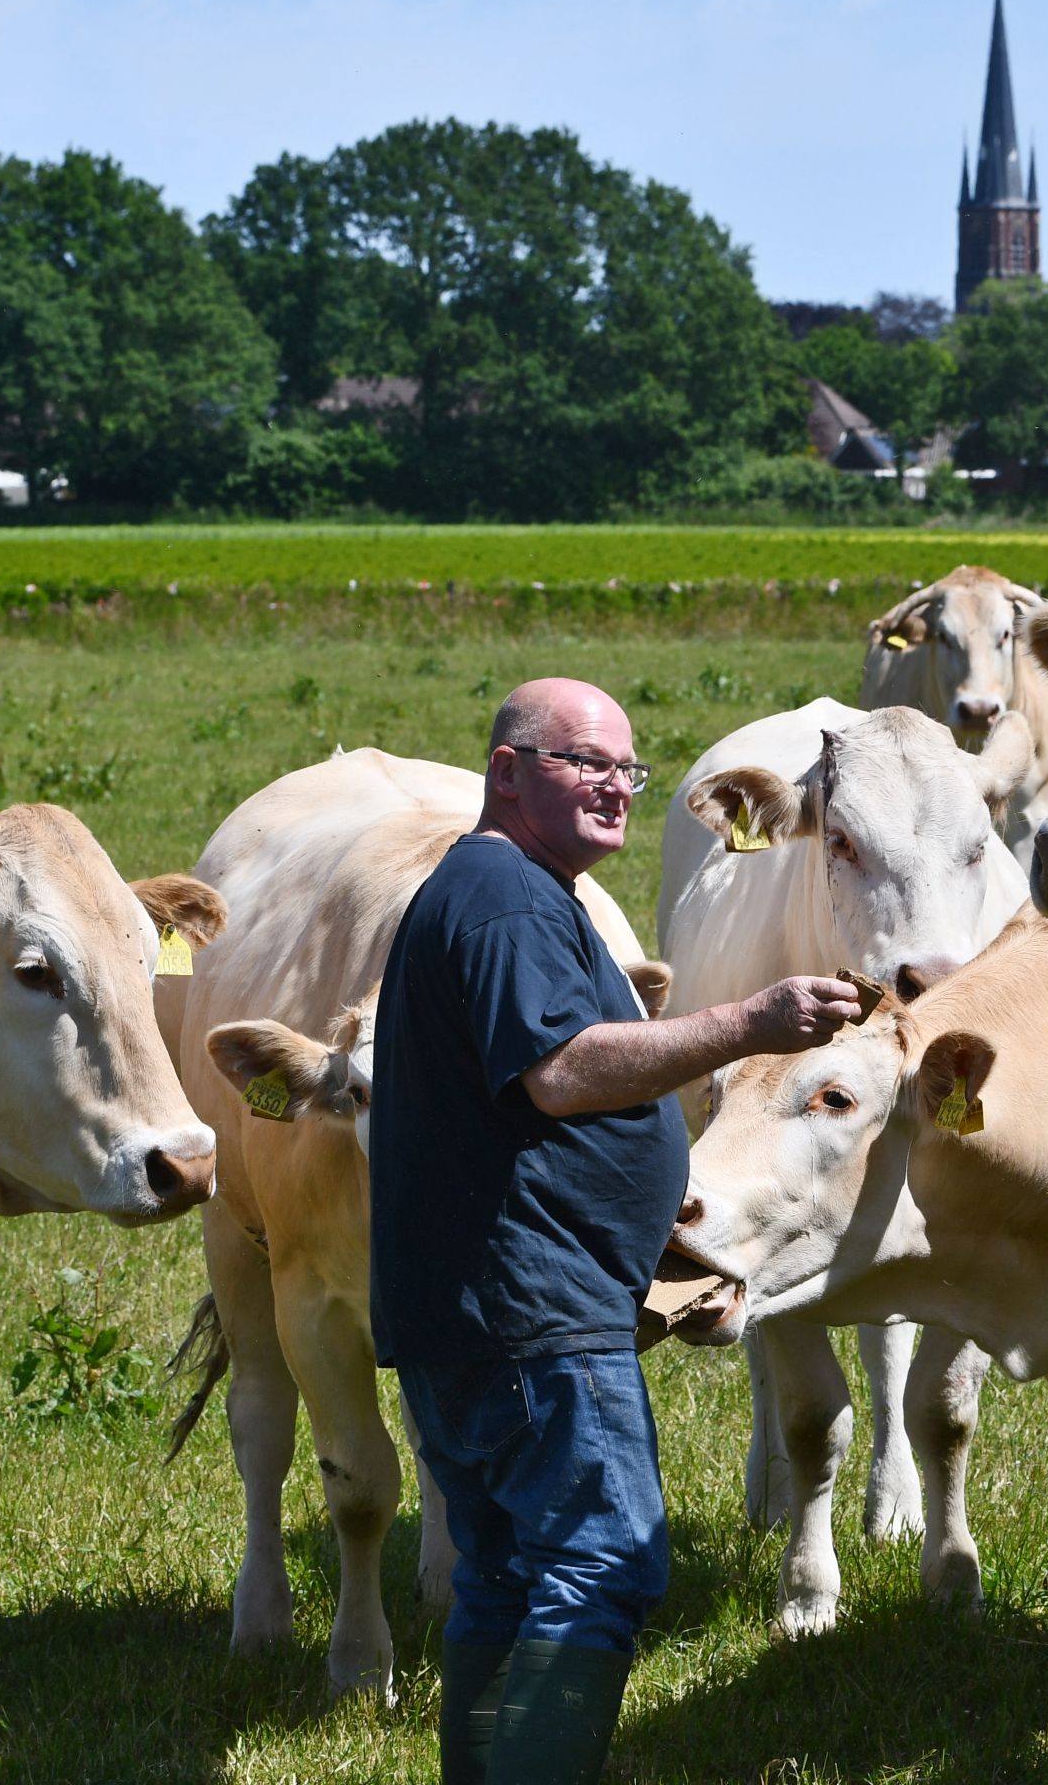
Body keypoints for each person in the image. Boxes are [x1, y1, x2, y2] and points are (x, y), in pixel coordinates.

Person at [370, 677, 861, 1785]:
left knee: (503, 1575)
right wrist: (751, 1021)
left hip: (473, 1307)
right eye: (583, 761)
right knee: (601, 1560)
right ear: (507, 771)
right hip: (532, 1315)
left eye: (628, 769)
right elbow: (556, 1070)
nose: (615, 786)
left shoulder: (504, 889)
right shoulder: (504, 896)